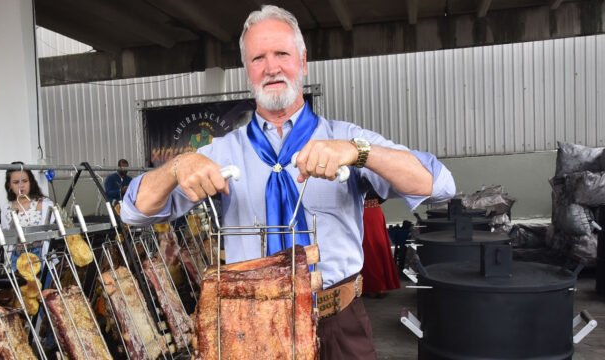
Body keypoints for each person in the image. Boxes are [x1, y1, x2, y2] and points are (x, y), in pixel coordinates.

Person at [121, 5, 455, 359]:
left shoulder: (344, 138)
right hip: (250, 325)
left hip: (337, 324)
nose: (271, 67)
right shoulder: (221, 152)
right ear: (248, 70)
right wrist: (177, 166)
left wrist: (359, 153)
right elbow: (133, 211)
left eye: (282, 53)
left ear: (303, 61)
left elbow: (439, 184)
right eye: (258, 58)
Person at [360, 188, 401, 298]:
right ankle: (369, 286)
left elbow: (386, 191)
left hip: (368, 212)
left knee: (372, 248)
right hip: (368, 211)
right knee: (369, 248)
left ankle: (376, 286)